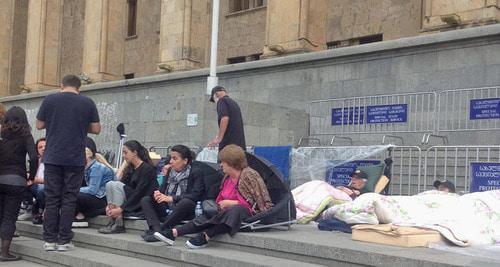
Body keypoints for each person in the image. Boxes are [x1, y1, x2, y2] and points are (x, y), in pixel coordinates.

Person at [154, 144, 272, 249]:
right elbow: (220, 198)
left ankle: (206, 236)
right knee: (210, 213)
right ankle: (173, 233)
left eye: (223, 162)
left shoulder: (249, 174)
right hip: (225, 211)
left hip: (245, 211)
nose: (221, 165)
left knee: (235, 210)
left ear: (231, 162)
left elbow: (256, 203)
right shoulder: (227, 177)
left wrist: (230, 203)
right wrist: (222, 204)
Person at [36, 74, 101, 252]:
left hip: (53, 157)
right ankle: (64, 240)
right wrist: (79, 124)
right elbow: (96, 129)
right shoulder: (87, 102)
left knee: (52, 199)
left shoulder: (50, 99)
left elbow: (39, 125)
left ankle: (49, 240)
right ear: (79, 88)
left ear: (61, 85)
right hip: (75, 158)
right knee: (69, 199)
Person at [140, 145, 204, 242]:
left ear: (185, 160)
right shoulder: (170, 171)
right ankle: (156, 230)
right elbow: (163, 189)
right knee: (146, 200)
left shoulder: (195, 172)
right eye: (170, 158)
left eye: (175, 158)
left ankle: (161, 232)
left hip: (183, 208)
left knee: (187, 202)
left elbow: (196, 194)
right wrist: (158, 194)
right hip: (167, 207)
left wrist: (172, 198)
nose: (170, 162)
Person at [0, 106, 38, 261]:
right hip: (16, 180)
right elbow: (34, 158)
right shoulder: (25, 135)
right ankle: (4, 253)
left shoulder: (2, 134)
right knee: (9, 217)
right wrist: (32, 176)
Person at [98, 140, 158, 234]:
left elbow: (139, 191)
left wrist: (121, 208)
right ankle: (112, 218)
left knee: (116, 184)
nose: (123, 155)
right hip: (130, 198)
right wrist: (110, 204)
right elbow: (121, 186)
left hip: (141, 200)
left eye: (125, 152)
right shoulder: (130, 168)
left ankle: (119, 222)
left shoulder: (147, 169)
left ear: (135, 153)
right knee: (110, 183)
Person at [72, 138, 115, 228]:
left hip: (103, 199)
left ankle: (80, 217)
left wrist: (71, 189)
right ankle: (79, 215)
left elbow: (92, 190)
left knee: (73, 194)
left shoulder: (96, 167)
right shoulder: (87, 167)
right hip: (97, 197)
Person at [207, 86, 246, 152]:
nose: (215, 102)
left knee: (224, 162)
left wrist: (219, 138)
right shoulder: (234, 103)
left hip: (228, 146)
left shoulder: (221, 101)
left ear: (216, 94)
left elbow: (224, 118)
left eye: (214, 100)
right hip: (239, 146)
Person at [29, 138, 47, 225]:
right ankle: (28, 208)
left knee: (41, 189)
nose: (43, 148)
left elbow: (50, 180)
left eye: (45, 146)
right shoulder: (36, 161)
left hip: (48, 187)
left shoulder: (54, 161)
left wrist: (34, 180)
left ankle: (40, 210)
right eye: (40, 147)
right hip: (36, 185)